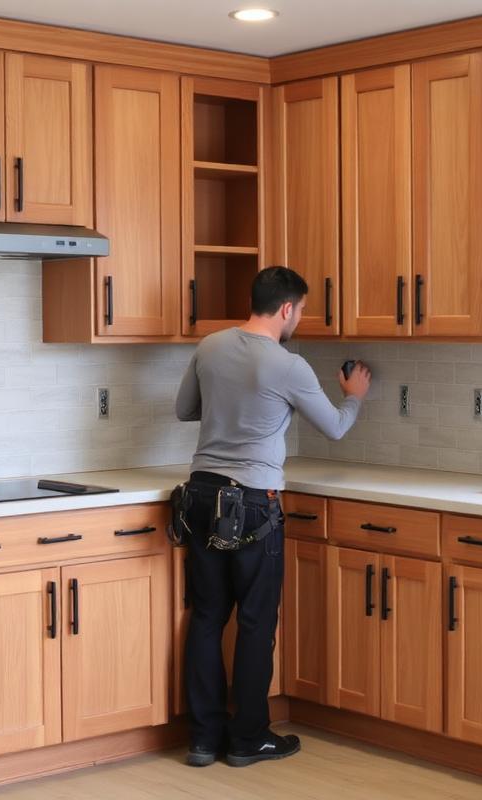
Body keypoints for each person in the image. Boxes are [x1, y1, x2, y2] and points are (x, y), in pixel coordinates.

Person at [174, 266, 371, 768]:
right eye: (301, 310)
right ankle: (248, 739)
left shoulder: (210, 346)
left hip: (200, 497)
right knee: (256, 624)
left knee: (207, 618)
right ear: (287, 308)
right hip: (253, 504)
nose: (299, 318)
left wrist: (229, 405)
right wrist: (354, 397)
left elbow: (183, 410)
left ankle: (202, 740)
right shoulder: (290, 365)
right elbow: (335, 429)